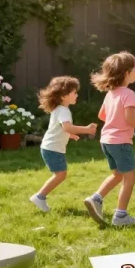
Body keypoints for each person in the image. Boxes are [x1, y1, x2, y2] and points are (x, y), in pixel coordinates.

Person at [83, 52, 135, 226]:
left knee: (117, 175)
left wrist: (114, 119)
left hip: (106, 141)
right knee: (130, 178)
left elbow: (102, 115)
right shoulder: (128, 94)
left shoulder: (111, 93)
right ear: (126, 74)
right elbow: (130, 119)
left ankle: (96, 199)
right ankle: (121, 216)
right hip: (120, 142)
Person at [29, 76, 98, 213]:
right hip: (53, 149)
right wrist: (87, 129)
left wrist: (70, 135)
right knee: (60, 175)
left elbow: (60, 128)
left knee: (60, 174)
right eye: (74, 92)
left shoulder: (60, 109)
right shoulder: (63, 111)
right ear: (64, 95)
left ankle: (40, 197)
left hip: (50, 147)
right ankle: (39, 197)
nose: (77, 95)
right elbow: (67, 127)